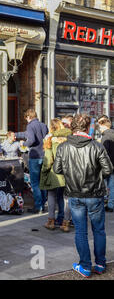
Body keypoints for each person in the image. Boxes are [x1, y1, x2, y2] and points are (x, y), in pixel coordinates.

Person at [54, 114, 113, 278]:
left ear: (73, 128)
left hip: (75, 193)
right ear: (87, 128)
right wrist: (97, 176)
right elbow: (108, 170)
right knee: (98, 230)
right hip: (95, 194)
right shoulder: (97, 146)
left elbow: (57, 169)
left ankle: (85, 266)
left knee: (81, 231)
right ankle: (100, 264)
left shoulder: (63, 147)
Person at [40, 119, 72, 232]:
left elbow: (48, 160)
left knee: (52, 196)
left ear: (51, 128)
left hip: (54, 172)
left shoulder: (49, 140)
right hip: (68, 172)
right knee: (67, 198)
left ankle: (51, 221)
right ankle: (66, 223)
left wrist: (44, 171)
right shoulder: (70, 139)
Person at [15, 109, 49, 214]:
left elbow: (31, 140)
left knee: (35, 183)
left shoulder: (30, 126)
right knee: (42, 183)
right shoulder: (43, 125)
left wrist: (23, 144)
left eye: (26, 119)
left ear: (28, 117)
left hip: (34, 156)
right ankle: (43, 205)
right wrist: (17, 134)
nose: (26, 121)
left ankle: (38, 207)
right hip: (44, 156)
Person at [97, 115, 114, 212]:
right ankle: (111, 204)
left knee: (105, 185)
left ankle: (109, 204)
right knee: (112, 185)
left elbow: (104, 154)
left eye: (99, 127)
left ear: (103, 126)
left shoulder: (105, 137)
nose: (99, 129)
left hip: (108, 165)